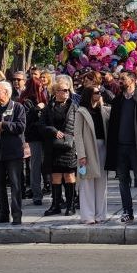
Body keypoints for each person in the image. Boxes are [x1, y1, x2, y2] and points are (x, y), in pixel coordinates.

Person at [106, 71, 137, 224]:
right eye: (119, 79)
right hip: (120, 147)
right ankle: (127, 211)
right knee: (123, 181)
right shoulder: (118, 100)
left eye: (123, 79)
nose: (120, 81)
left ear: (133, 80)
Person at [0, 80, 27, 225]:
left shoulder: (18, 107)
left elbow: (20, 126)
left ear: (7, 92)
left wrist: (4, 125)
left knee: (15, 185)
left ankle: (16, 215)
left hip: (13, 153)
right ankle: (3, 214)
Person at [39, 74, 78, 217]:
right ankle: (55, 205)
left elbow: (77, 125)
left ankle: (71, 205)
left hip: (68, 146)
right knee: (55, 176)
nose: (67, 92)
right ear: (56, 92)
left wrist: (72, 137)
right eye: (63, 90)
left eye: (67, 90)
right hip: (53, 146)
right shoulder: (49, 107)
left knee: (69, 175)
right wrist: (54, 131)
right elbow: (41, 125)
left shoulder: (73, 106)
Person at [74, 85, 111, 224]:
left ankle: (100, 215)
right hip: (88, 149)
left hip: (103, 148)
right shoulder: (81, 112)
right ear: (89, 95)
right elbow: (77, 135)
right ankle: (88, 216)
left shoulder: (104, 110)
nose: (100, 94)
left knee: (102, 182)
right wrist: (81, 154)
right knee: (87, 182)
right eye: (97, 92)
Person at [21, 71, 52, 207]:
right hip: (34, 137)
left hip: (46, 136)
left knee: (48, 163)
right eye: (40, 87)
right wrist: (36, 109)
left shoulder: (46, 99)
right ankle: (36, 194)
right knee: (35, 165)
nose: (42, 89)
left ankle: (51, 189)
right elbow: (26, 119)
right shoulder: (27, 101)